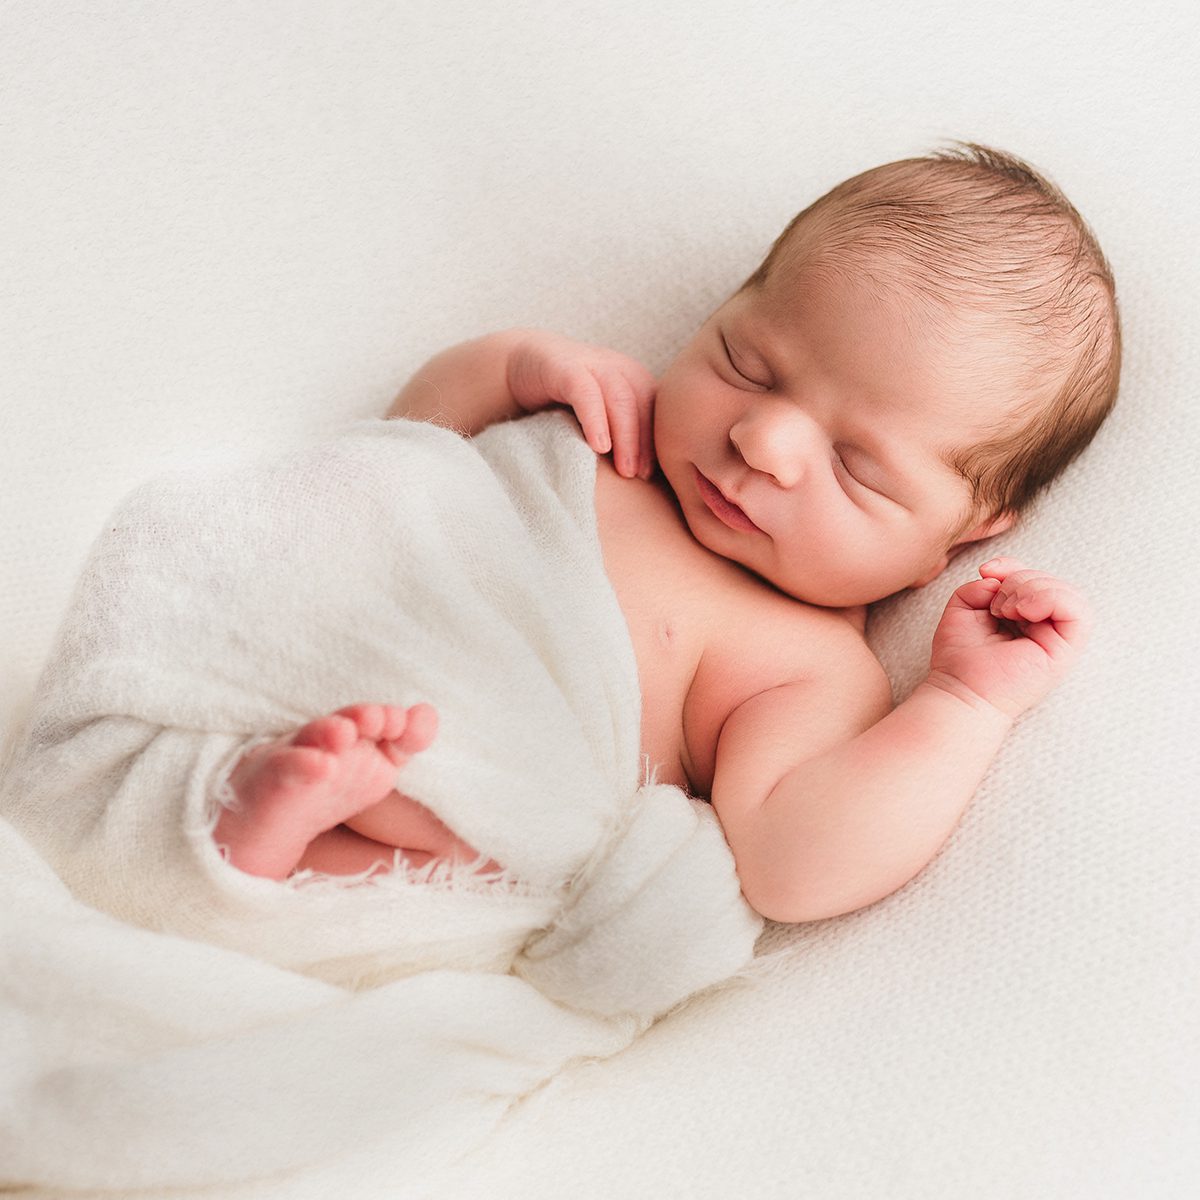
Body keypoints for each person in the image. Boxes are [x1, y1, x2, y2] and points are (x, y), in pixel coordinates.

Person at [214, 142, 1120, 923]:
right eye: (748, 365)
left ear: (953, 544)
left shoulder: (805, 665)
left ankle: (280, 842)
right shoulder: (619, 432)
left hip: (452, 781)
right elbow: (405, 453)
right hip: (322, 629)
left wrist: (965, 705)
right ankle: (253, 801)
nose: (762, 443)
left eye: (857, 465)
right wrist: (512, 367)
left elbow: (791, 868)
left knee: (502, 864)